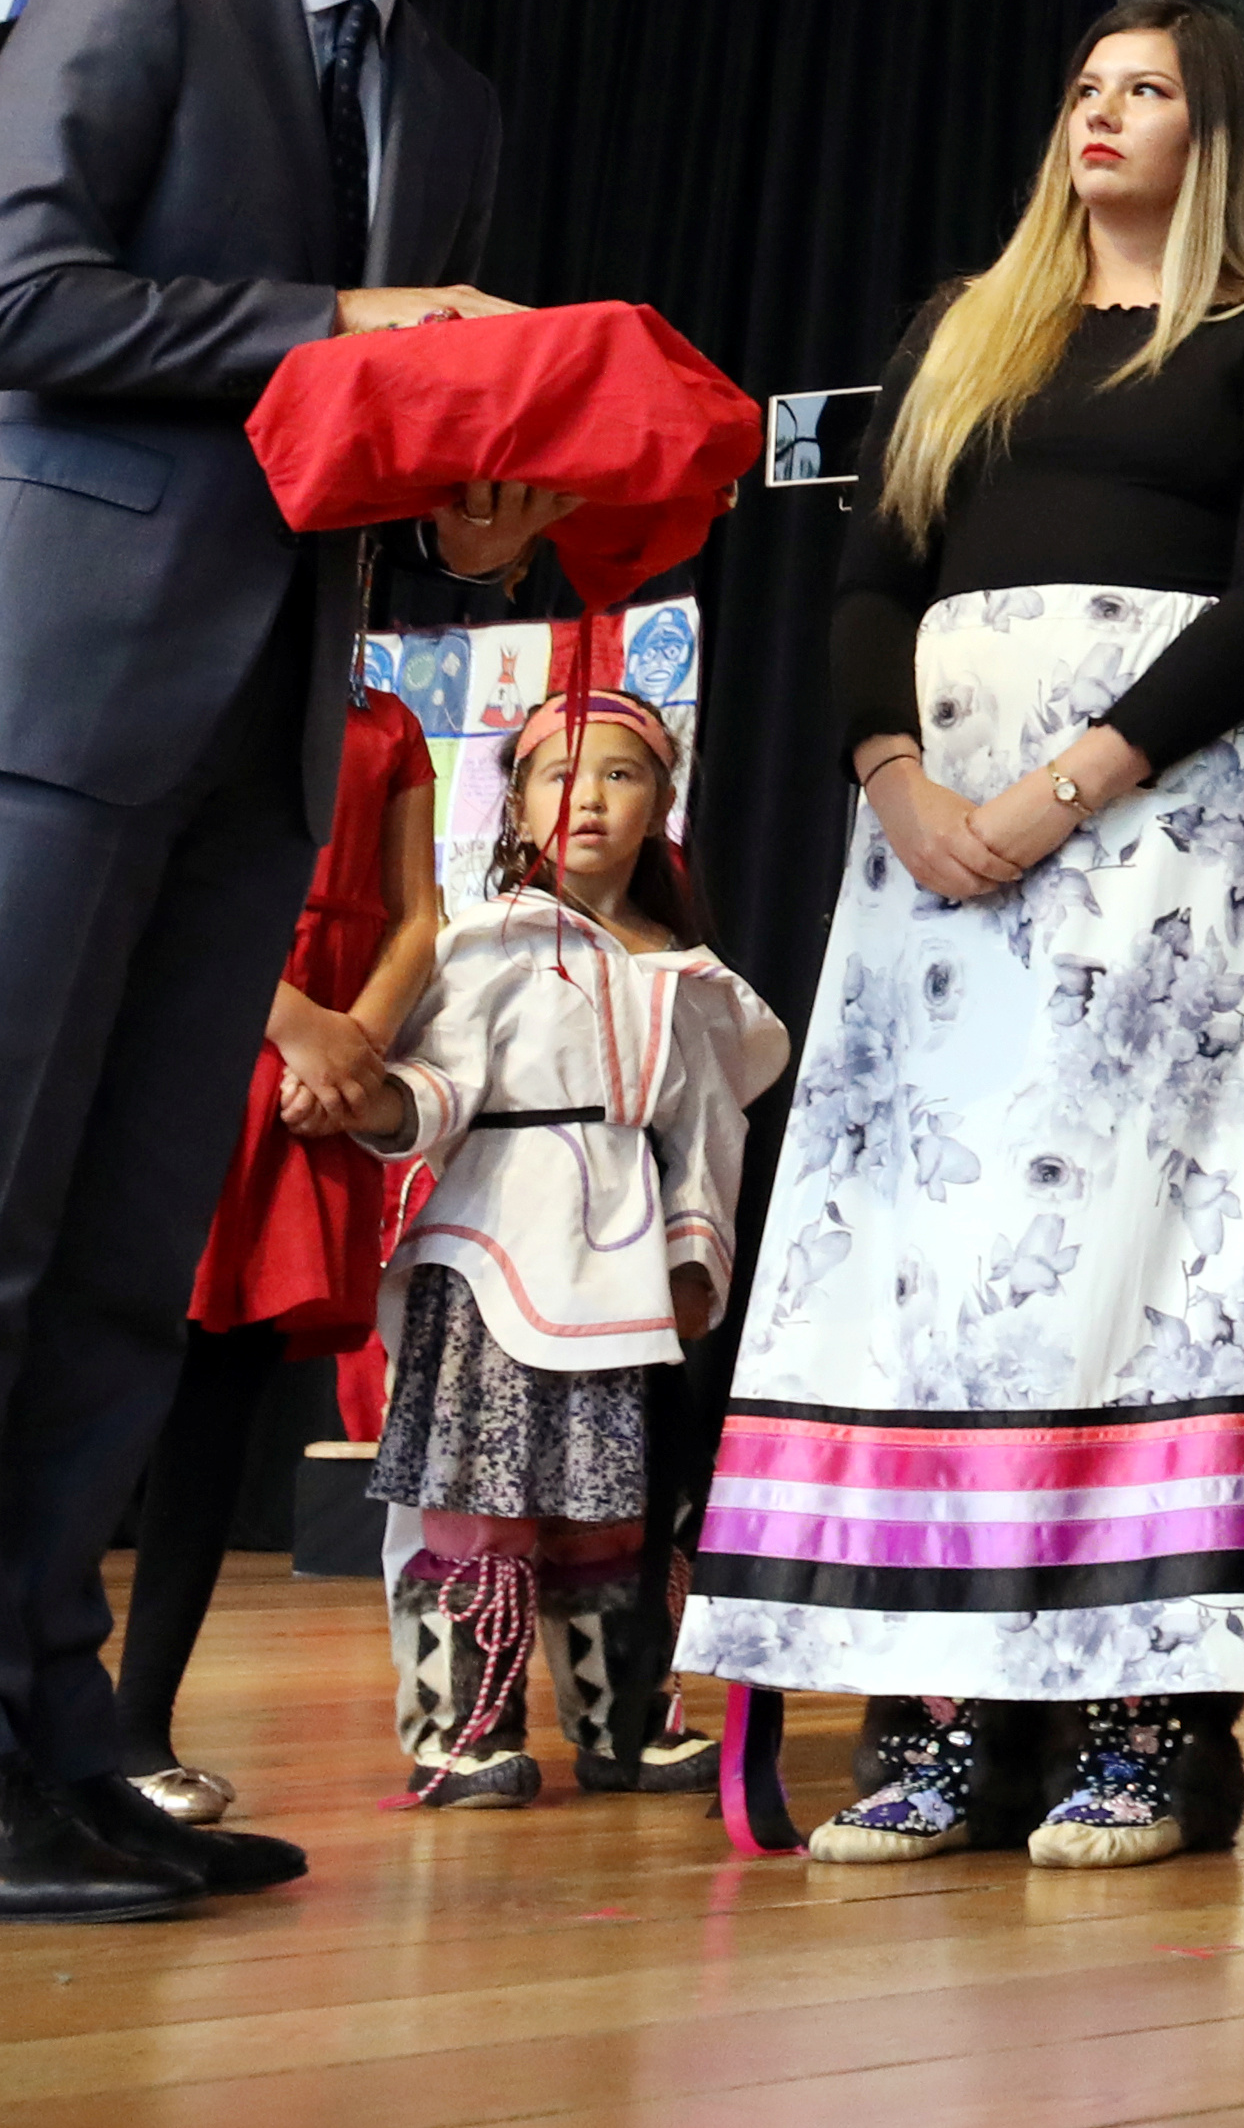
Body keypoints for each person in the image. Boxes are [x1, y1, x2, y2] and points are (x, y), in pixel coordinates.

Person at [0, 0, 586, 1926]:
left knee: (125, 1268)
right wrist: (345, 332)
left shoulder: (446, 110)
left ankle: (60, 1737)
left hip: (270, 722)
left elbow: (349, 435)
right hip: (39, 687)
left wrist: (467, 497)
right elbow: (8, 311)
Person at [685, 0, 1244, 1870]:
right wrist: (896, 778)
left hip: (1165, 852)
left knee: (1150, 1250)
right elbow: (867, 576)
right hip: (936, 866)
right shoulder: (959, 331)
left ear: (1214, 129)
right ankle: (932, 1725)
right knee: (930, 1259)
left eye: (1144, 90)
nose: (1102, 112)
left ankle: (1153, 1726)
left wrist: (1067, 779)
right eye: (1084, 84)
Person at [349, 690, 780, 1806]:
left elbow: (705, 1135)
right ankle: (463, 1728)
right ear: (520, 803)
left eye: (621, 775)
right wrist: (382, 1104)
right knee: (482, 1495)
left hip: (627, 1264)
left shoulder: (688, 977)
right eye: (558, 775)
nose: (587, 798)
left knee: (614, 1504)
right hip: (500, 1247)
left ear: (661, 803)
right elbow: (435, 1088)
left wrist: (695, 1255)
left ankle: (622, 1717)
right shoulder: (487, 948)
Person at [112, 677, 438, 1820]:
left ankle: (136, 1725)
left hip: (316, 1079)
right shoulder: (207, 685)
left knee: (216, 1406)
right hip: (197, 1035)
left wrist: (356, 1049)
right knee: (94, 1395)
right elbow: (158, 876)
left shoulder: (385, 723)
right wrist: (297, 1023)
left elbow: (417, 916)